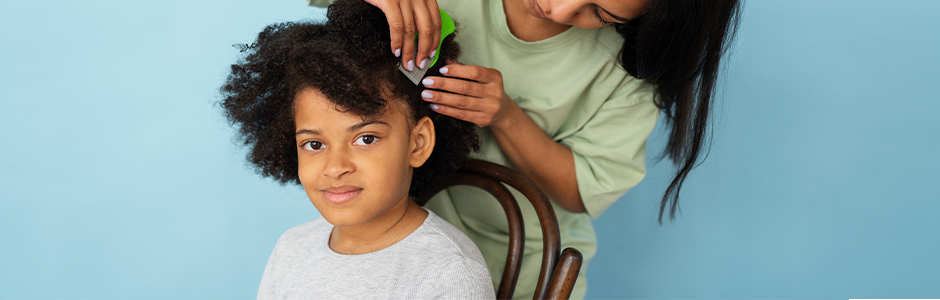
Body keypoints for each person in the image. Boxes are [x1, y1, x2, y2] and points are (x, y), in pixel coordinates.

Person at [306, 0, 743, 298]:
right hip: (391, 242)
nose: (560, 7)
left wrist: (507, 116)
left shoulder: (623, 69)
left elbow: (582, 191)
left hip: (525, 268)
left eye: (601, 12)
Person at [220, 0, 496, 298]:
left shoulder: (449, 272)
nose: (336, 166)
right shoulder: (291, 248)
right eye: (314, 144)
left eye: (365, 138)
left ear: (418, 143)